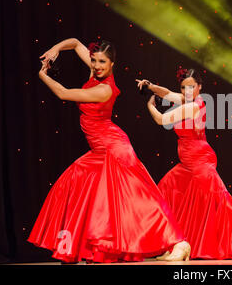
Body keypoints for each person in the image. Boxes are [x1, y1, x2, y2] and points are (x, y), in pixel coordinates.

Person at [28, 38, 190, 263]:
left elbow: (63, 94)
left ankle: (177, 242)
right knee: (78, 187)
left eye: (102, 62)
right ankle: (90, 249)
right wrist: (54, 49)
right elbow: (75, 43)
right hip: (99, 150)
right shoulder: (95, 73)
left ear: (112, 63)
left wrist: (43, 76)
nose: (96, 65)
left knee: (135, 199)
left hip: (114, 148)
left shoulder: (104, 88)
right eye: (94, 61)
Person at [138, 68, 232, 260]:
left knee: (221, 202)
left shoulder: (193, 106)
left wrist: (150, 105)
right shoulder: (186, 100)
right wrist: (151, 86)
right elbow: (167, 93)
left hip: (199, 161)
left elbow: (162, 119)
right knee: (167, 191)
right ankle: (175, 244)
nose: (187, 91)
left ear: (199, 87)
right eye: (183, 87)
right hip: (187, 163)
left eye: (191, 87)